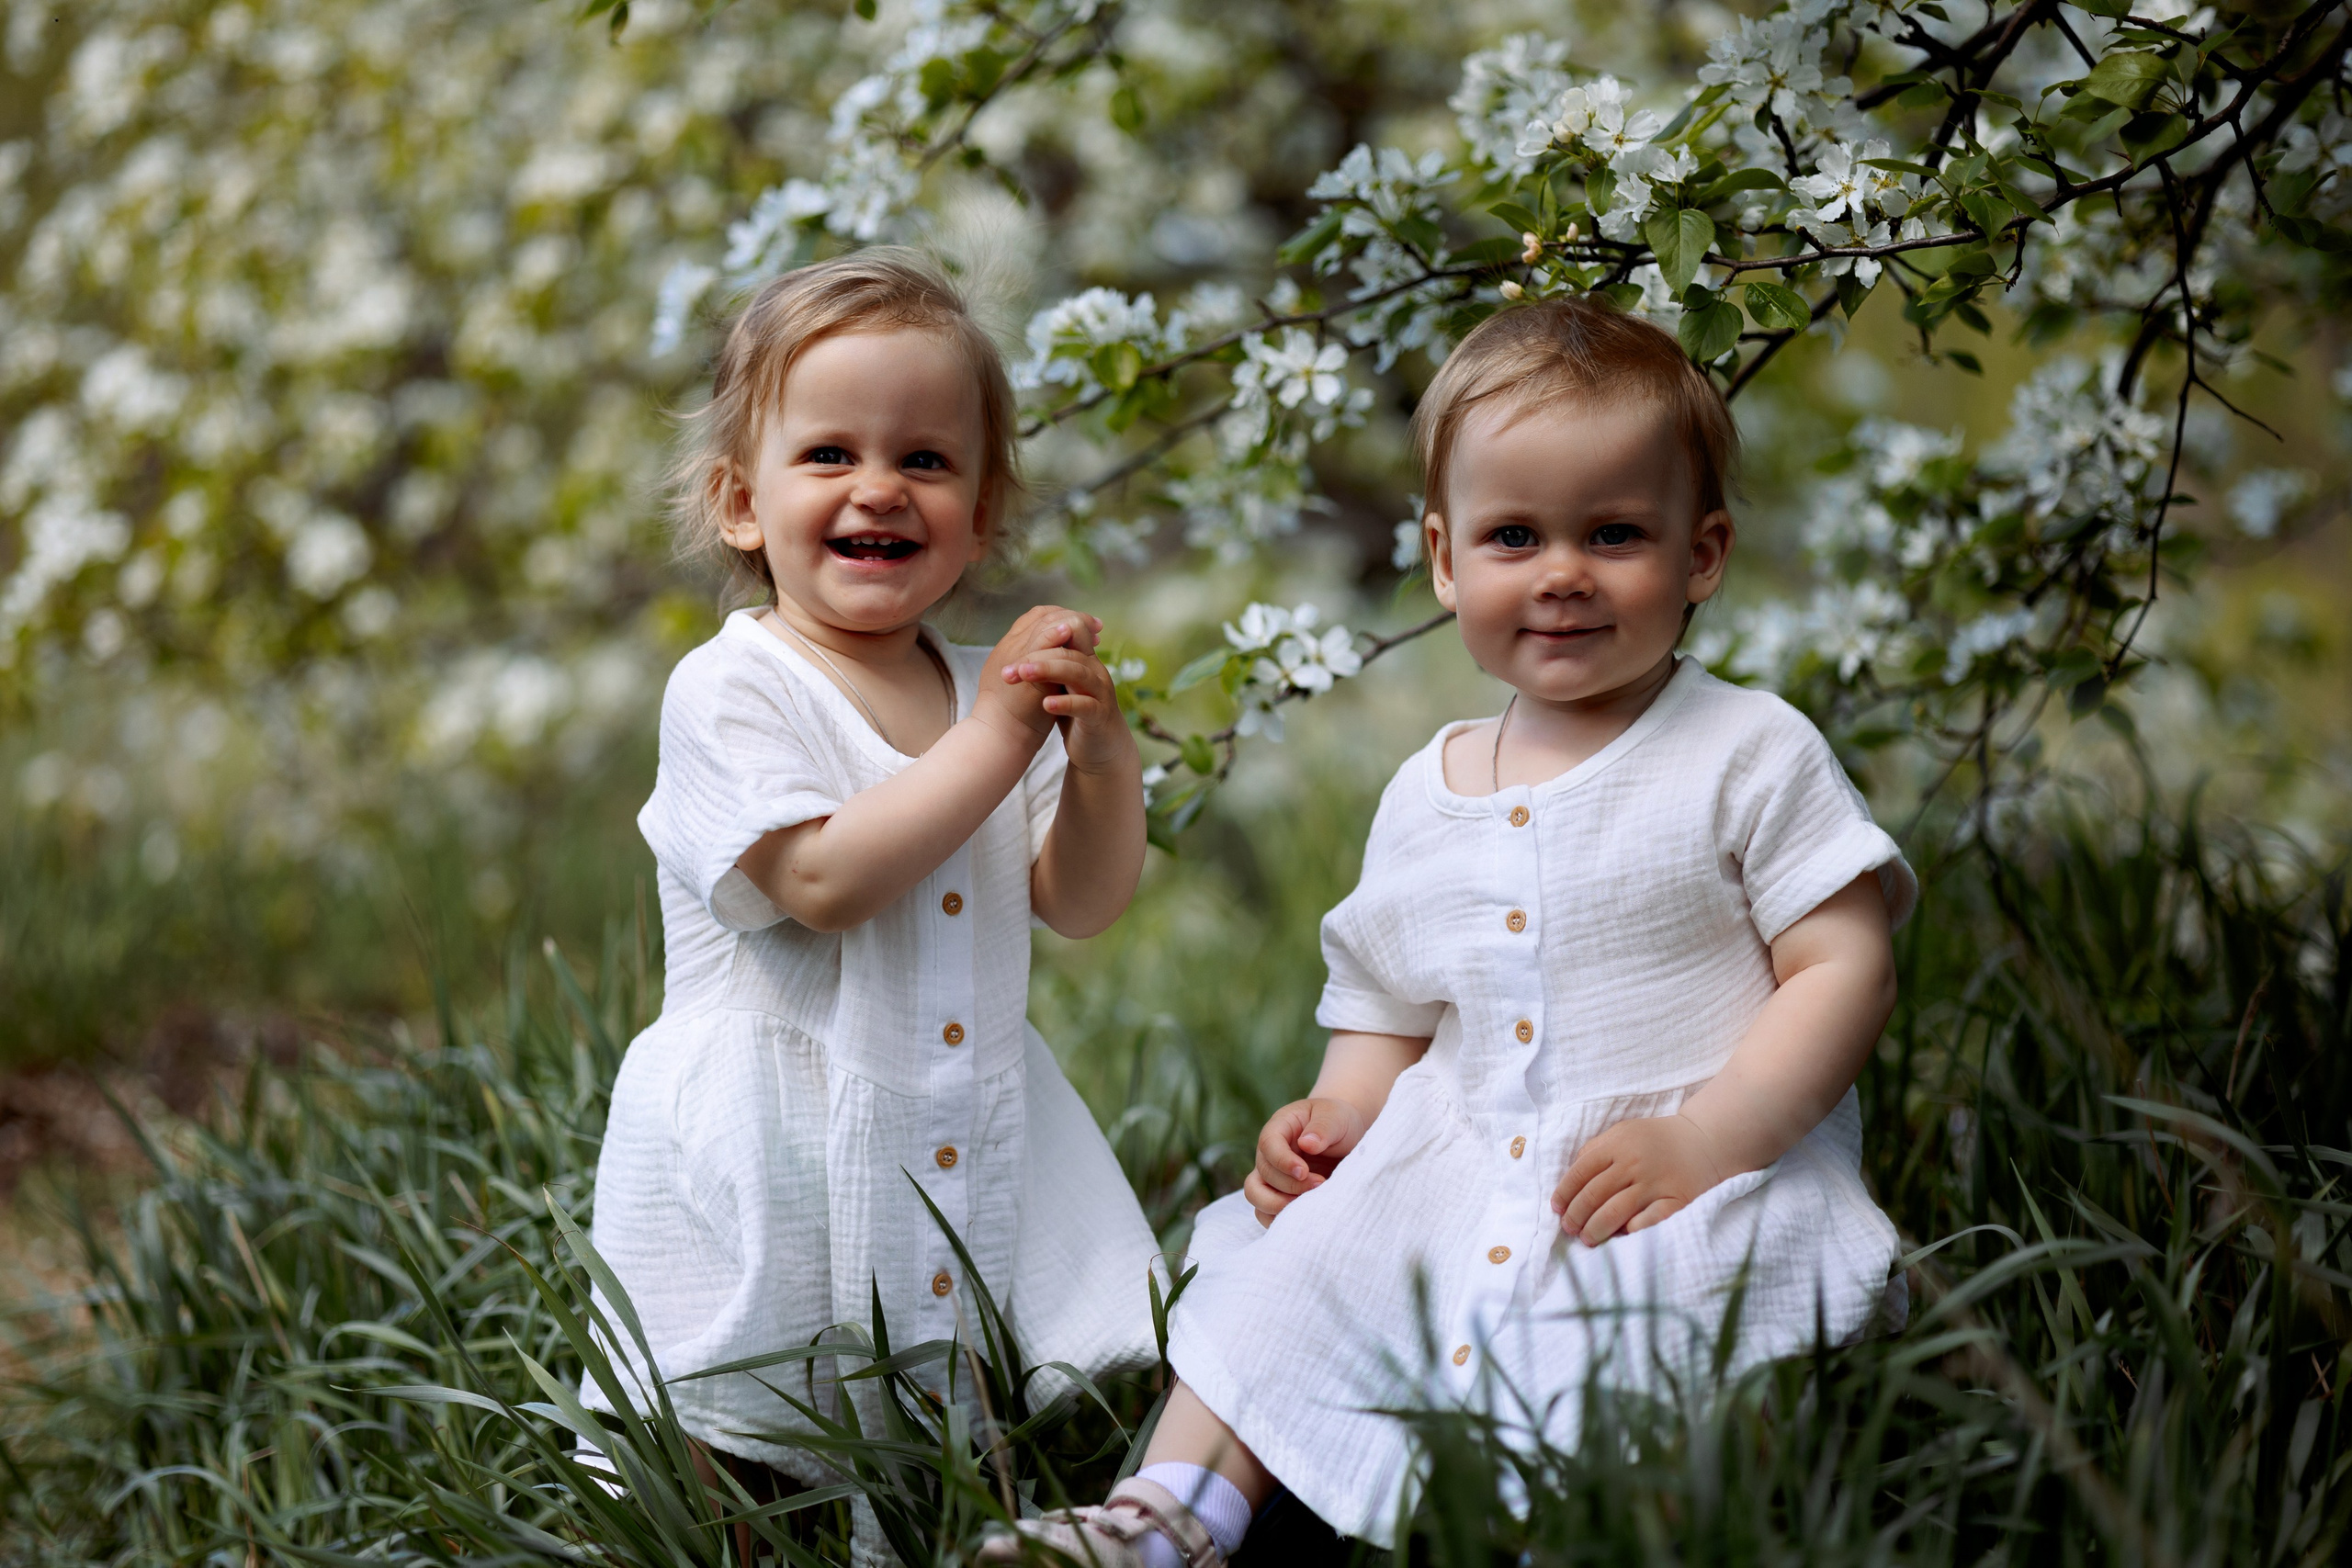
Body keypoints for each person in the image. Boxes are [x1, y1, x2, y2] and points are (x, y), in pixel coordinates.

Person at [983, 295, 1917, 1567]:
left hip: (1676, 1165)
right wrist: (1332, 1126)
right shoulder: (1429, 786)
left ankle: (1577, 1527)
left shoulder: (1748, 750)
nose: (1563, 572)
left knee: (1658, 1316)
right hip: (1462, 1155)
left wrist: (1714, 1135)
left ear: (1703, 555)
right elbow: (1388, 1003)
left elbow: (1842, 963)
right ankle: (1170, 1520)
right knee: (1289, 1270)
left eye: (1616, 534)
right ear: (1443, 557)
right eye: (1515, 535)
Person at [582, 249, 1159, 1550]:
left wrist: (1100, 759)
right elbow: (822, 879)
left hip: (943, 1103)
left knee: (938, 1389)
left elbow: (1078, 899)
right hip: (769, 1125)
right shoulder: (735, 688)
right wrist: (1004, 742)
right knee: (755, 1410)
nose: (879, 489)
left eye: (927, 460)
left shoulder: (978, 693)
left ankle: (941, 1523)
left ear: (983, 505)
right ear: (742, 503)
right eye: (829, 454)